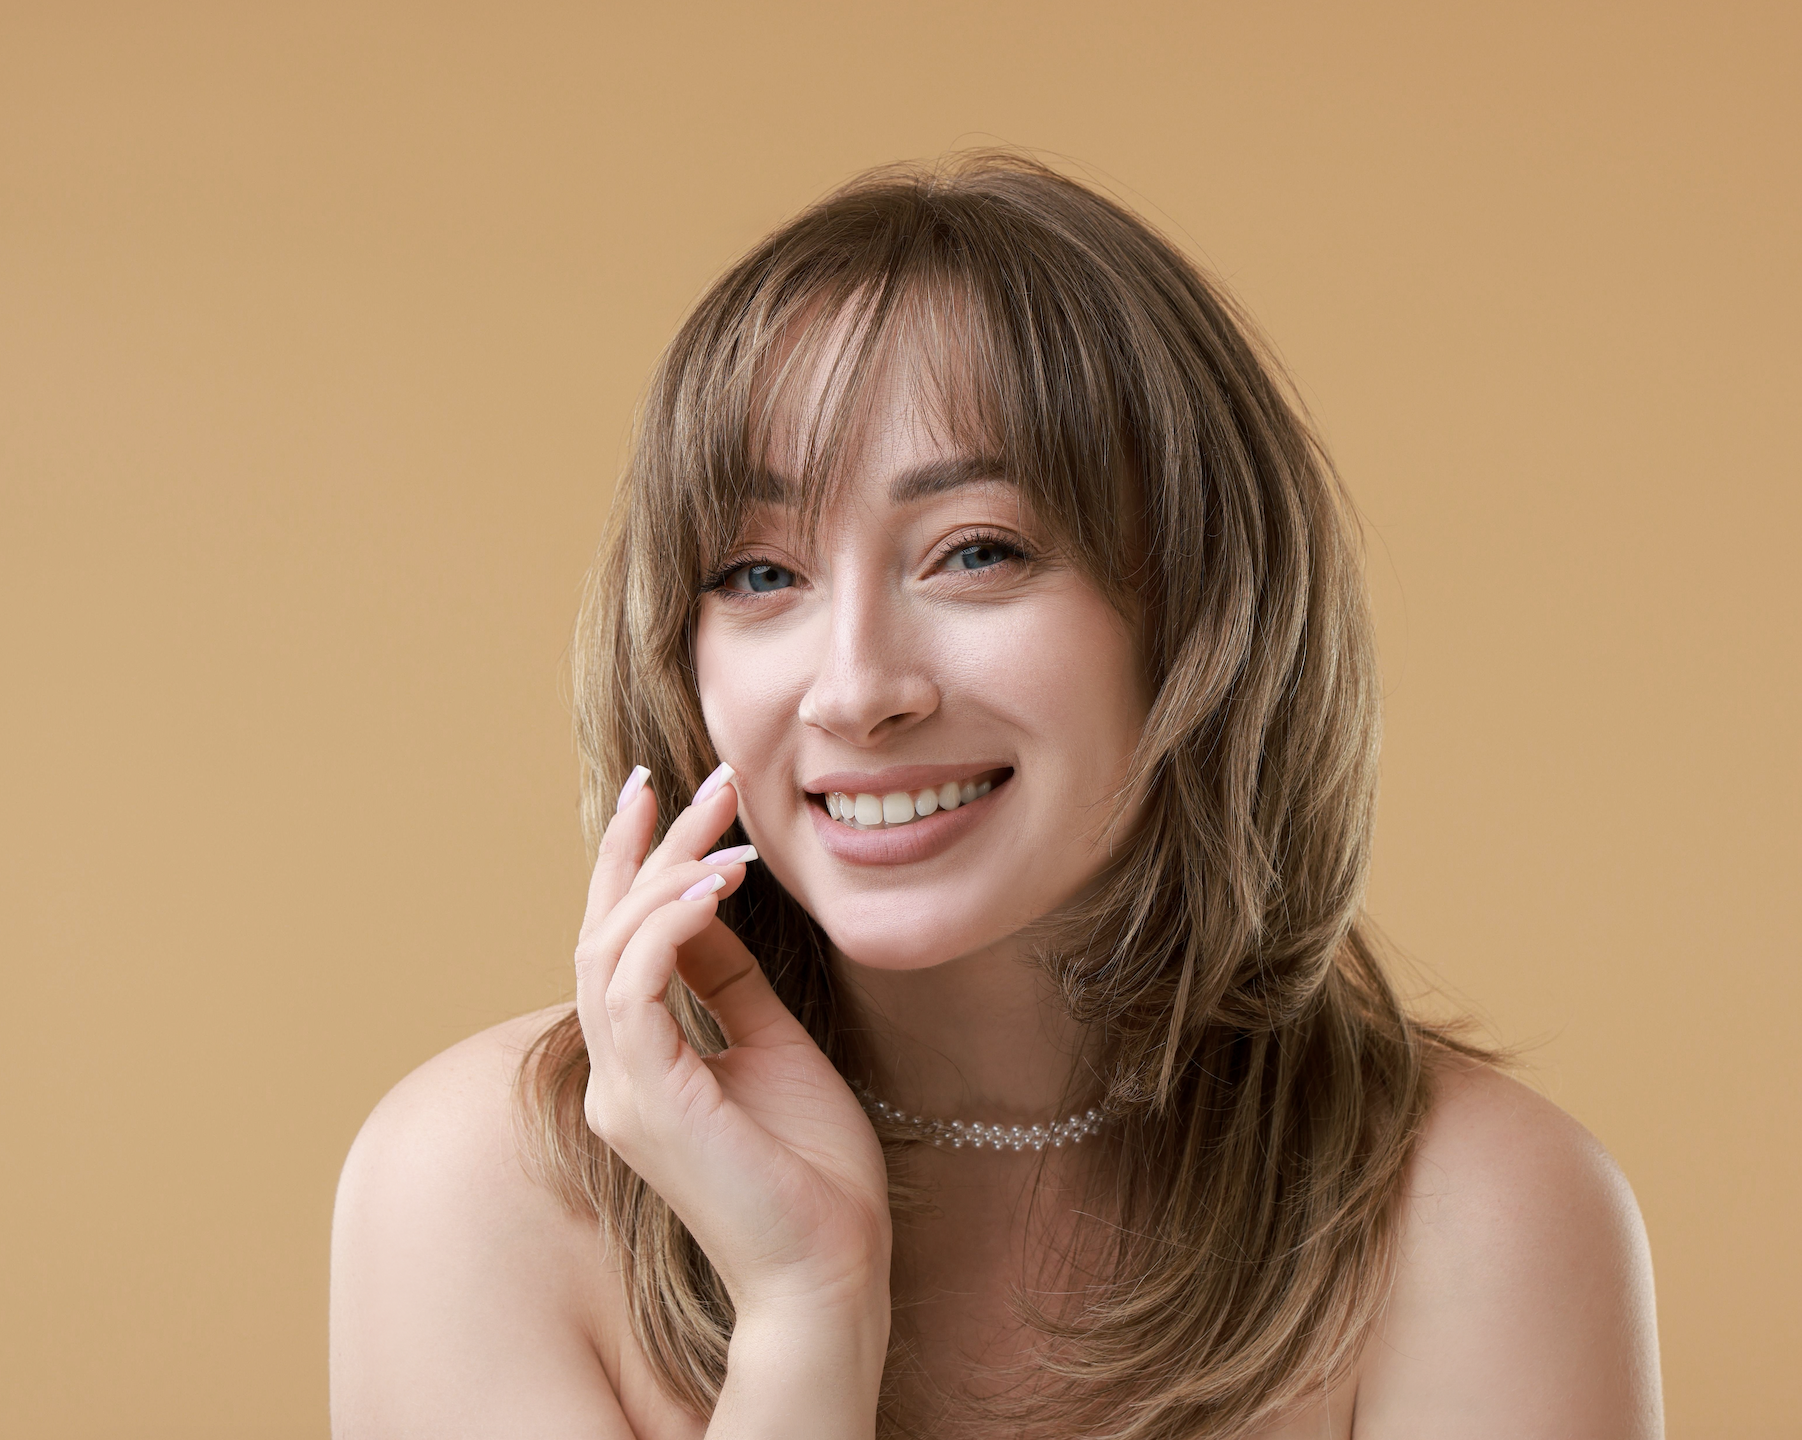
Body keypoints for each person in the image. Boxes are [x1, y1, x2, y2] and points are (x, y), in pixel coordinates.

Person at [329, 155, 1662, 1438]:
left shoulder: (1476, 1211)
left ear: (1203, 617)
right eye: (756, 574)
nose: (855, 690)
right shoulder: (478, 1191)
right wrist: (806, 1320)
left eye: (977, 551)